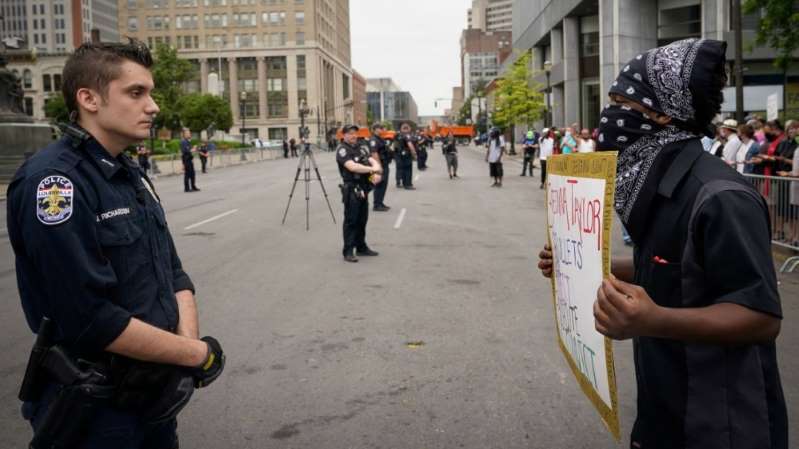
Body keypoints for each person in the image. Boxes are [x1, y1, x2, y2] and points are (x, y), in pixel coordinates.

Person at [540, 38, 786, 449]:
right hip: (663, 410)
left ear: (661, 114)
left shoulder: (721, 197)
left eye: (621, 102)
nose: (610, 115)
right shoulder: (657, 188)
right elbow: (671, 267)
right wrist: (581, 261)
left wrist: (652, 320)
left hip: (720, 423)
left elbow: (761, 317)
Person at [7, 39, 224, 449]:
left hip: (152, 393)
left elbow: (173, 272)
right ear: (89, 98)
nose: (153, 106)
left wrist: (185, 349)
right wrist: (194, 356)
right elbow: (89, 318)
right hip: (97, 410)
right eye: (136, 92)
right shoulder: (56, 183)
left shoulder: (129, 173)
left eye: (151, 92)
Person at [336, 124, 381, 262]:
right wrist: (372, 169)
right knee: (351, 221)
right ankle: (348, 251)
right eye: (350, 133)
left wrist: (376, 168)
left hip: (363, 187)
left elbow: (371, 159)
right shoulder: (343, 150)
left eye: (355, 133)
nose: (353, 135)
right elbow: (353, 167)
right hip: (351, 188)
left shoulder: (360, 147)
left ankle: (361, 247)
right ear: (344, 135)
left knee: (362, 219)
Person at [369, 122, 392, 211]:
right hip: (378, 166)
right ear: (374, 129)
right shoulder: (373, 140)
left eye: (382, 128)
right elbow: (374, 153)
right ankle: (377, 205)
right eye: (380, 128)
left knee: (383, 185)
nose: (382, 129)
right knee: (379, 185)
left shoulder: (380, 139)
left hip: (384, 164)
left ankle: (380, 203)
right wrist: (378, 167)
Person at [394, 123, 417, 190]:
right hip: (406, 155)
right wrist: (414, 154)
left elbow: (395, 145)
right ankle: (408, 184)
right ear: (406, 129)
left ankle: (403, 183)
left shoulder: (398, 135)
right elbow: (410, 145)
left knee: (403, 170)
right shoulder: (407, 136)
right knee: (408, 170)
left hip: (400, 155)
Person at [180, 128, 199, 192]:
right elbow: (185, 151)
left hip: (190, 159)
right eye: (187, 133)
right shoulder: (183, 142)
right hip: (186, 160)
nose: (189, 134)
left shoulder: (188, 141)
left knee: (192, 174)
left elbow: (190, 151)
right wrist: (193, 149)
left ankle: (193, 186)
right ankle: (187, 188)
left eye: (189, 133)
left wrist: (193, 150)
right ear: (184, 134)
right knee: (187, 174)